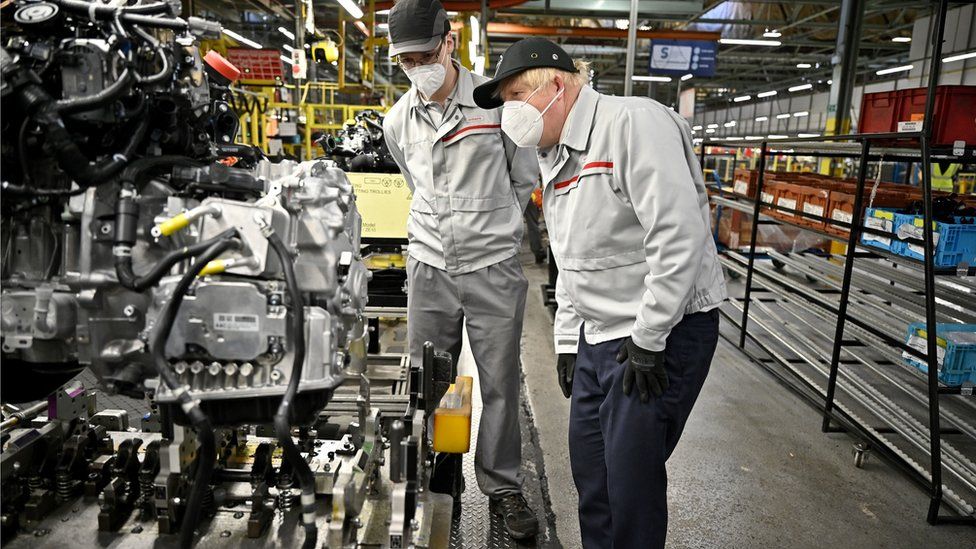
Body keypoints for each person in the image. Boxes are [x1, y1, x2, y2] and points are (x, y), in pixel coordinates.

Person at [472, 38, 728, 549]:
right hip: (598, 337)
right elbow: (570, 256)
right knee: (592, 476)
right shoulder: (554, 152)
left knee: (629, 486)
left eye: (518, 95)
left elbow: (679, 236)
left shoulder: (632, 124)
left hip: (661, 332)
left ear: (558, 86)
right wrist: (568, 340)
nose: (510, 113)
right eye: (505, 103)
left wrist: (651, 338)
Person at [382, 0, 540, 540]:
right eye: (406, 61)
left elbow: (524, 177)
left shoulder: (495, 105)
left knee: (498, 382)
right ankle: (435, 476)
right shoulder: (396, 121)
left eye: (426, 54)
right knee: (429, 381)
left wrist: (497, 230)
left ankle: (501, 488)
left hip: (492, 266)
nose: (418, 68)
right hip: (429, 266)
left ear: (449, 43)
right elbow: (413, 183)